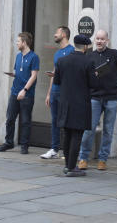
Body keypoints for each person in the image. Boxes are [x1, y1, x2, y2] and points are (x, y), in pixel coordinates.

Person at [78, 29, 117, 170]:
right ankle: (83, 157)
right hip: (94, 98)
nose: (99, 41)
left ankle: (103, 159)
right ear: (94, 40)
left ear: (107, 40)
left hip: (111, 98)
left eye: (102, 39)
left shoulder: (114, 54)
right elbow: (83, 76)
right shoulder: (89, 56)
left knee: (108, 131)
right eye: (97, 38)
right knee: (89, 129)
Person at [53, 34, 100, 176]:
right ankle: (73, 167)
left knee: (67, 134)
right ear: (85, 47)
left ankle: (68, 165)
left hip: (65, 103)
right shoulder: (88, 62)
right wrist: (96, 75)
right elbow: (93, 84)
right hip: (80, 104)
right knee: (77, 135)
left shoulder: (62, 61)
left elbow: (56, 81)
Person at [0, 32, 39, 154]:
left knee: (25, 121)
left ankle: (24, 146)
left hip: (27, 94)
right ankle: (8, 142)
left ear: (24, 43)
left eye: (18, 41)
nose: (16, 43)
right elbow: (18, 71)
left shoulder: (34, 57)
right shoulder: (18, 56)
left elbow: (33, 76)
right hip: (15, 92)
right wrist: (13, 75)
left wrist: (24, 90)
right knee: (10, 119)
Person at [40, 25, 74, 160]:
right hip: (55, 92)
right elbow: (54, 74)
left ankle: (67, 151)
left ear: (64, 35)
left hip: (66, 93)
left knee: (66, 122)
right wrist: (49, 93)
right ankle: (54, 149)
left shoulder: (72, 51)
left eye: (57, 32)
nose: (55, 35)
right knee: (54, 121)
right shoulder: (57, 53)